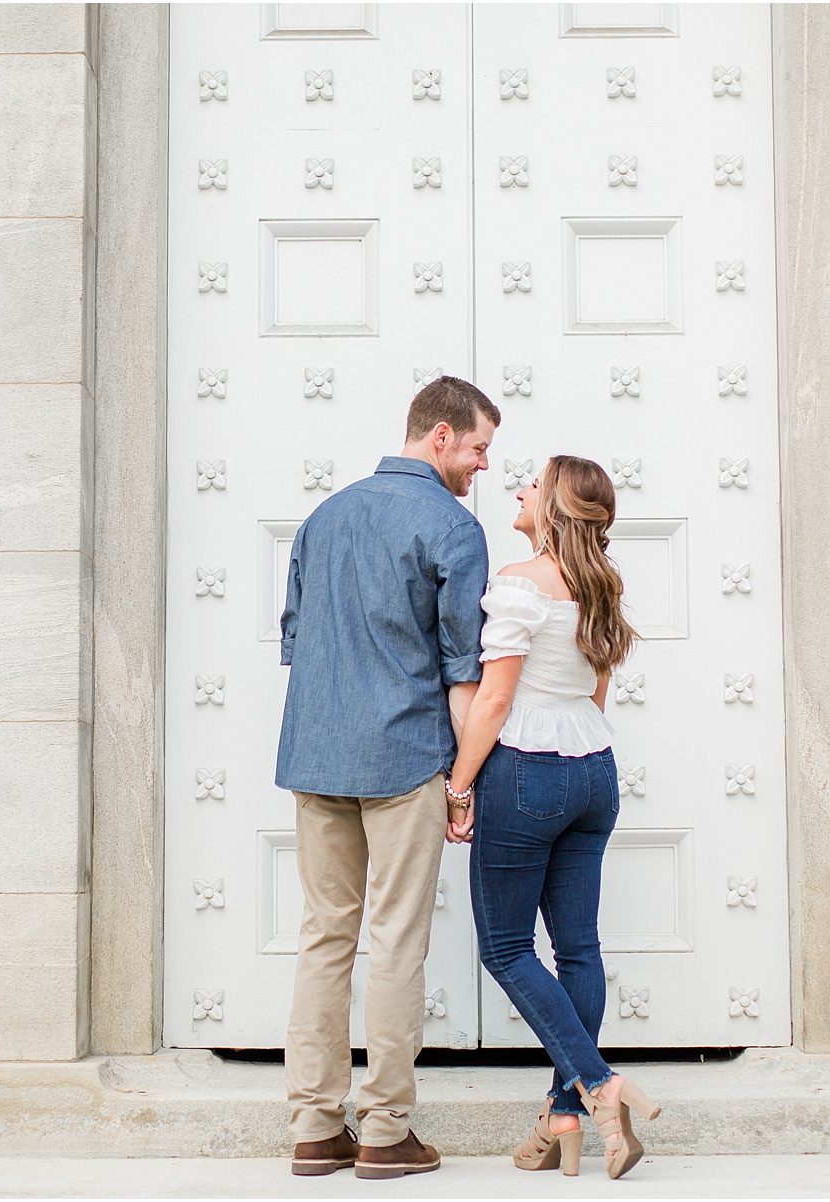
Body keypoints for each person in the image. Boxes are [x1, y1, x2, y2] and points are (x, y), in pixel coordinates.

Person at [277, 376, 501, 1180]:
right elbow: (462, 671)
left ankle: (311, 1126)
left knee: (324, 935)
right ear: (439, 436)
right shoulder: (453, 526)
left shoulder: (323, 517)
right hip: (403, 757)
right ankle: (384, 1130)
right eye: (477, 447)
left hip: (316, 754)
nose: (482, 465)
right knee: (396, 938)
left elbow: (297, 640)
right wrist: (463, 779)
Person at [445, 455, 662, 1180]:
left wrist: (460, 784)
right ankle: (563, 1112)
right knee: (578, 948)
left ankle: (600, 1085)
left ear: (556, 506)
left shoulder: (518, 583)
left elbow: (496, 701)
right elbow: (596, 694)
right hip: (592, 770)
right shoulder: (602, 583)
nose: (518, 490)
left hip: (526, 767)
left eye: (531, 484)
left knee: (505, 949)